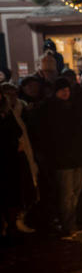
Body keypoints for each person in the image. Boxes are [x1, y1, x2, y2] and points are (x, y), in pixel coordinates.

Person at [38, 78, 82, 235]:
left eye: (67, 89)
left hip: (77, 157)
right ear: (56, 92)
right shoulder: (48, 109)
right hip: (62, 159)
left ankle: (71, 222)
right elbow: (47, 135)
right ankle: (67, 225)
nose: (65, 92)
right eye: (62, 90)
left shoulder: (74, 106)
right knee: (66, 194)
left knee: (75, 192)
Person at [0, 93, 23, 244]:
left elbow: (18, 131)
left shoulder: (7, 114)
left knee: (10, 196)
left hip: (10, 161)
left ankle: (12, 227)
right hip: (3, 159)